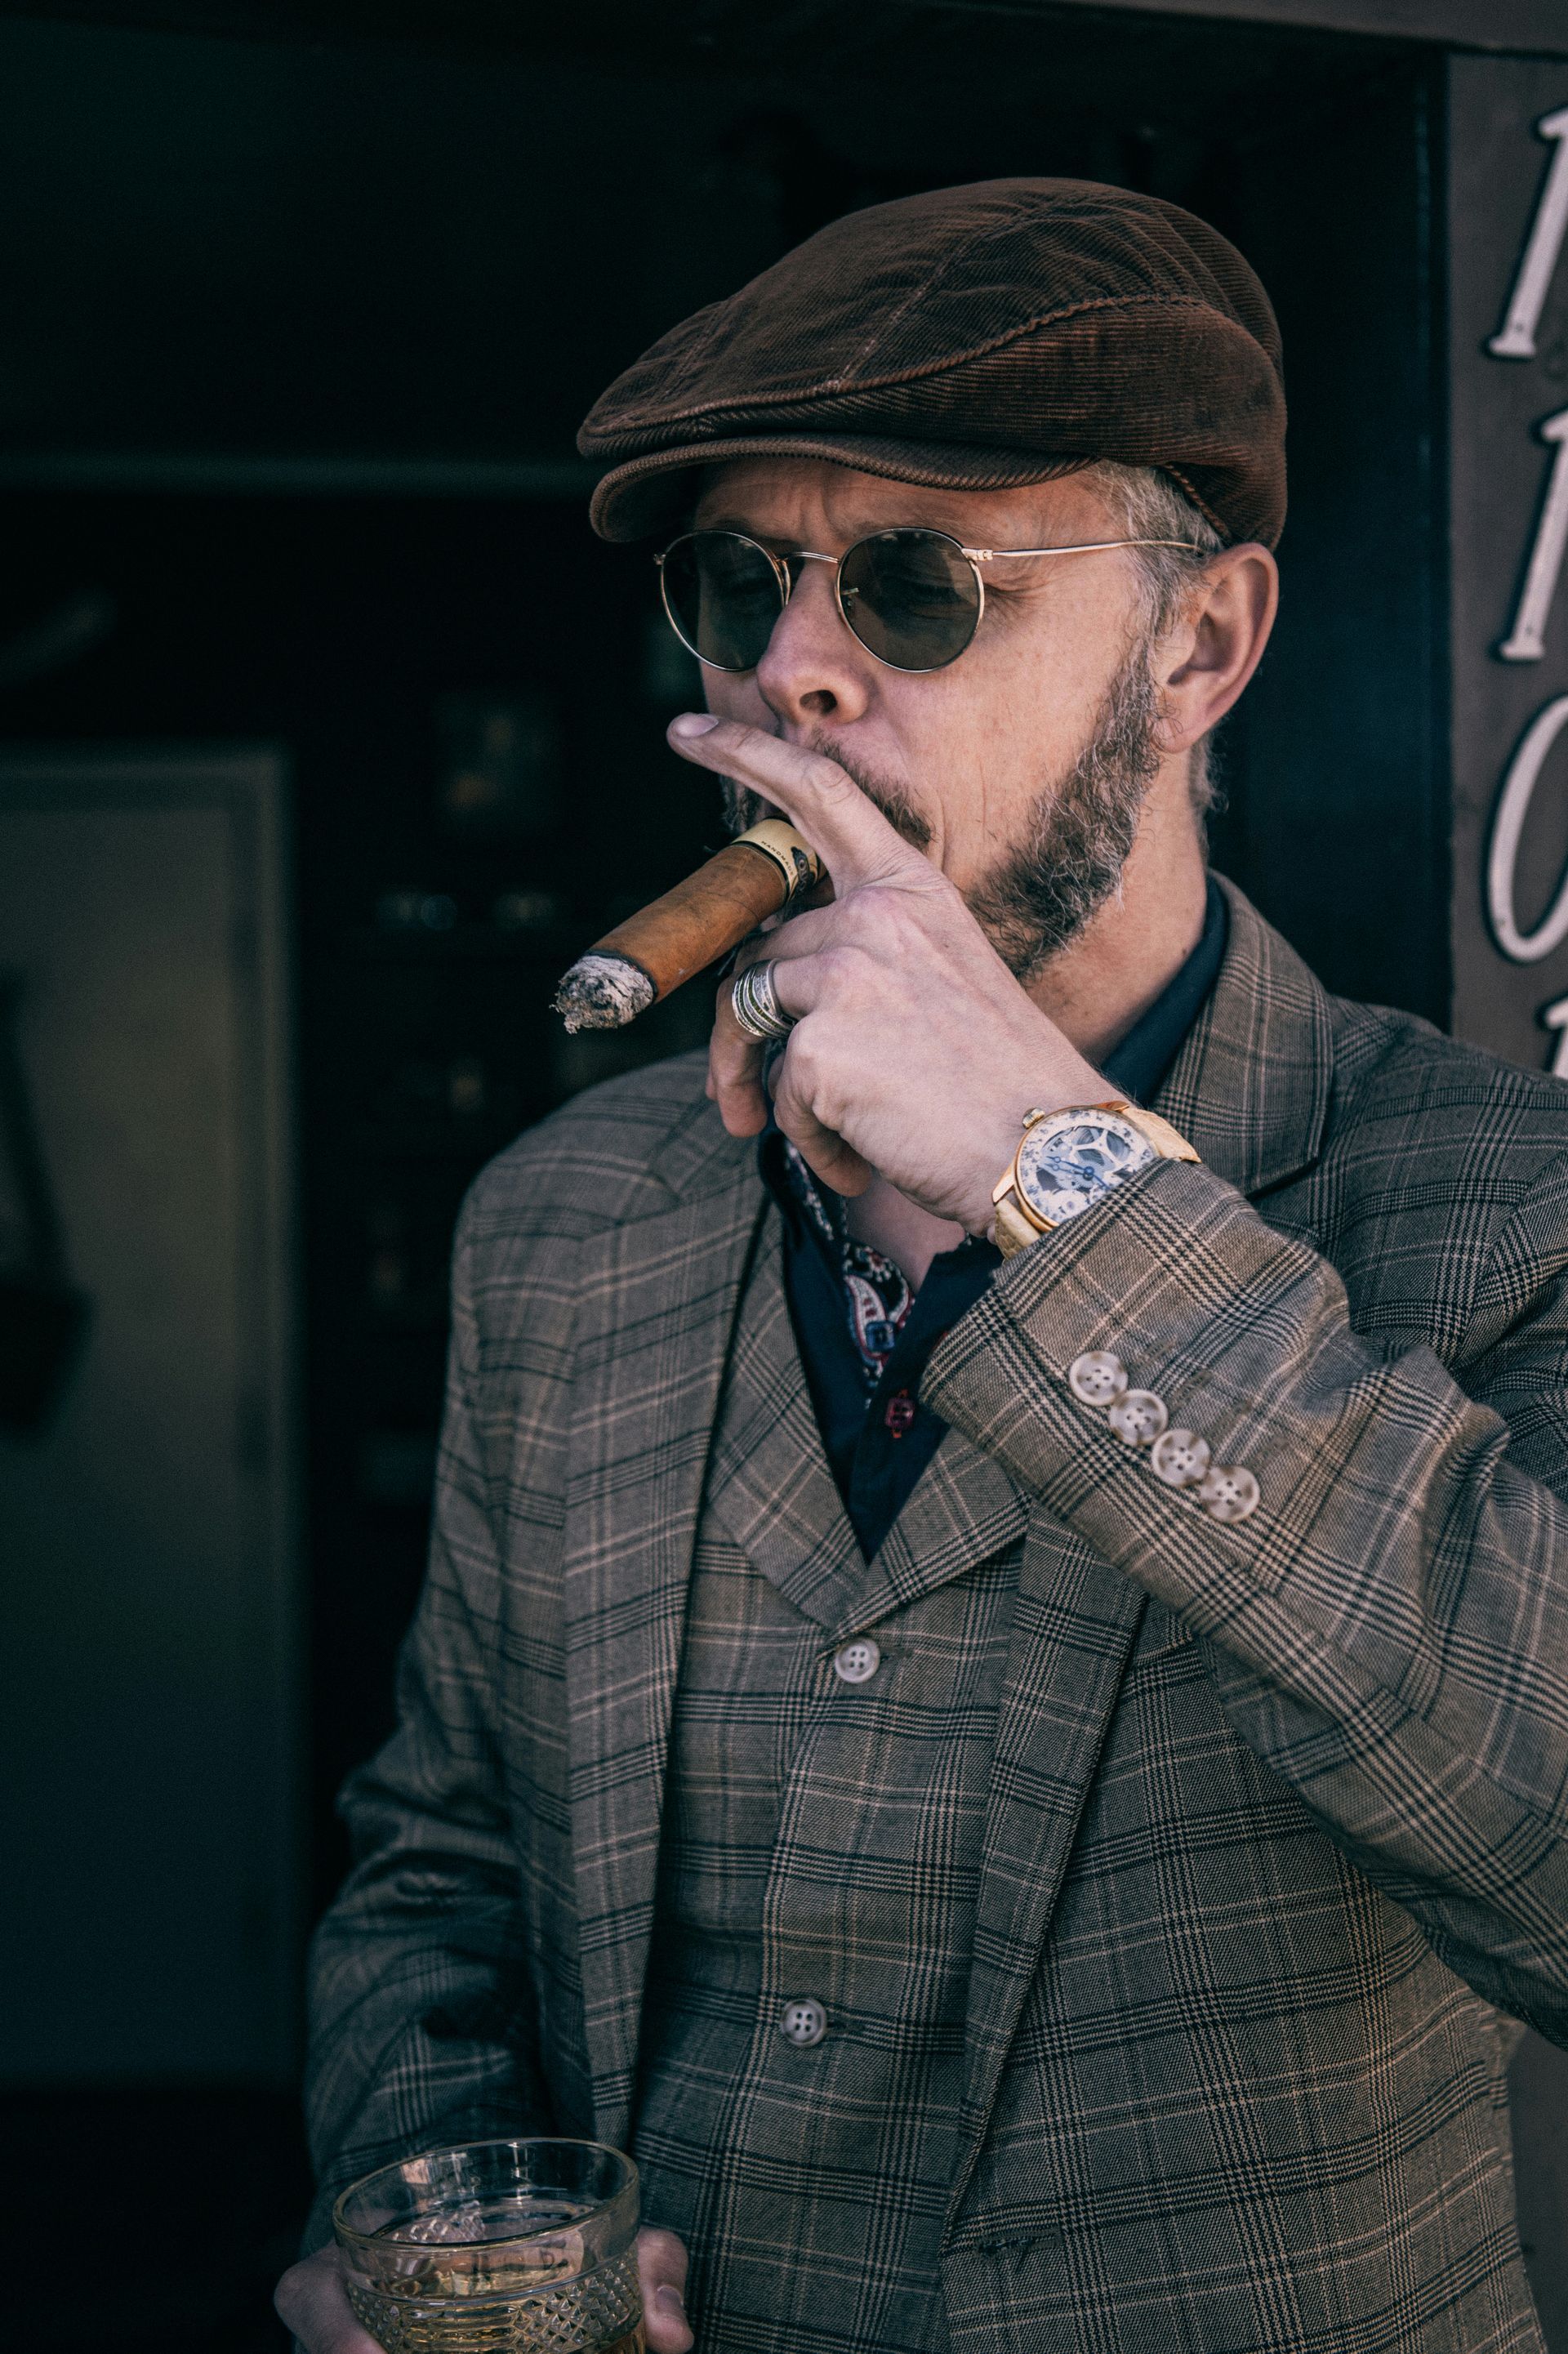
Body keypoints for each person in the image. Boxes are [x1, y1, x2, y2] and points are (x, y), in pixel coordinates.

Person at [277, 180, 1568, 2354]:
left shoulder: (1504, 1197)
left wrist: (1057, 1174)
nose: (794, 662)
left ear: (1198, 646)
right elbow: (441, 1869)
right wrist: (429, 2199)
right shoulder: (567, 1224)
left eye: (914, 580)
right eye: (741, 582)